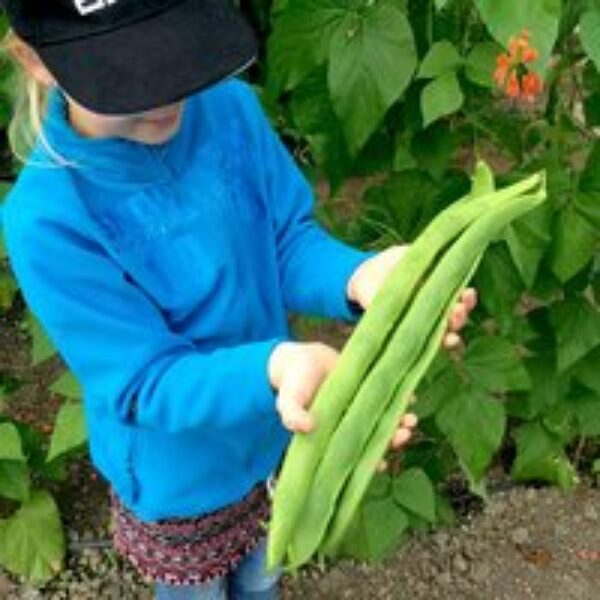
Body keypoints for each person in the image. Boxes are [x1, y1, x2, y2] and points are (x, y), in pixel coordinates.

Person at [0, 1, 476, 599]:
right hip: (180, 481)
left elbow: (286, 242)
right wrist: (275, 367)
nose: (166, 92)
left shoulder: (230, 111)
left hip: (276, 432)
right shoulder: (49, 217)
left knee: (262, 576)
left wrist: (359, 280)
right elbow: (144, 381)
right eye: (129, 73)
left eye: (177, 51)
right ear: (34, 60)